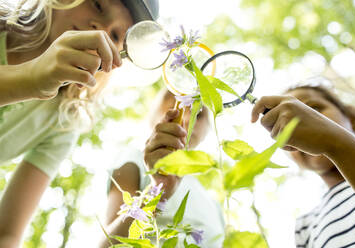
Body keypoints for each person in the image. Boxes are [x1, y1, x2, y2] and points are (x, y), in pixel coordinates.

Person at [0, 0, 158, 247]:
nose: (101, 29)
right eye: (97, 5)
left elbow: (6, 233)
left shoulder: (64, 122)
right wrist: (31, 77)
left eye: (116, 35)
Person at [250, 84, 355, 247]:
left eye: (314, 110)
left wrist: (334, 141)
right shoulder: (305, 226)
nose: (299, 125)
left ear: (351, 117)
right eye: (285, 127)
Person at [102, 89, 225, 248]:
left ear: (208, 127)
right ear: (156, 116)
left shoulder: (211, 198)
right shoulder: (137, 159)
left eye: (198, 114)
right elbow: (108, 243)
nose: (187, 118)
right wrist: (158, 192)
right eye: (177, 108)